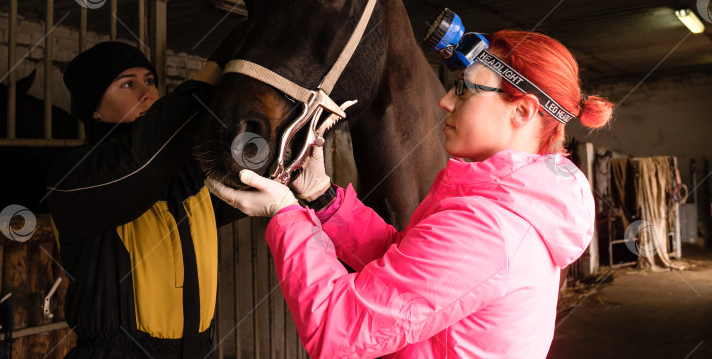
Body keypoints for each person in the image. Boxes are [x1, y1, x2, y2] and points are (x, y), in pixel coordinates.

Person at [208, 29, 614, 359]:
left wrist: (287, 216)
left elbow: (340, 329)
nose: (445, 101)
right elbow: (407, 262)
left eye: (467, 89)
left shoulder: (490, 228)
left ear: (522, 111)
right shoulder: (509, 203)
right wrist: (322, 198)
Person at [47, 26, 244, 359]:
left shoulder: (184, 169)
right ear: (94, 109)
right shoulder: (74, 176)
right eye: (128, 84)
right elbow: (141, 164)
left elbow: (244, 180)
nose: (146, 94)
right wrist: (211, 73)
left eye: (149, 81)